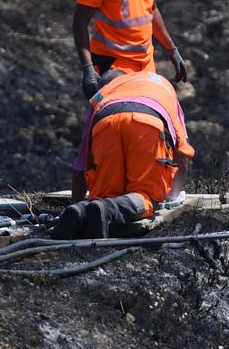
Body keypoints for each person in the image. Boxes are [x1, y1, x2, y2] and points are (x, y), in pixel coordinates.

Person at [53, 69, 194, 239]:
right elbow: (182, 150)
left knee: (105, 196)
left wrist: (76, 202)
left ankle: (80, 211)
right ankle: (109, 209)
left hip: (106, 123)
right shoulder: (162, 86)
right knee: (146, 196)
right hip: (146, 121)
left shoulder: (101, 96)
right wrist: (173, 195)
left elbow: (82, 163)